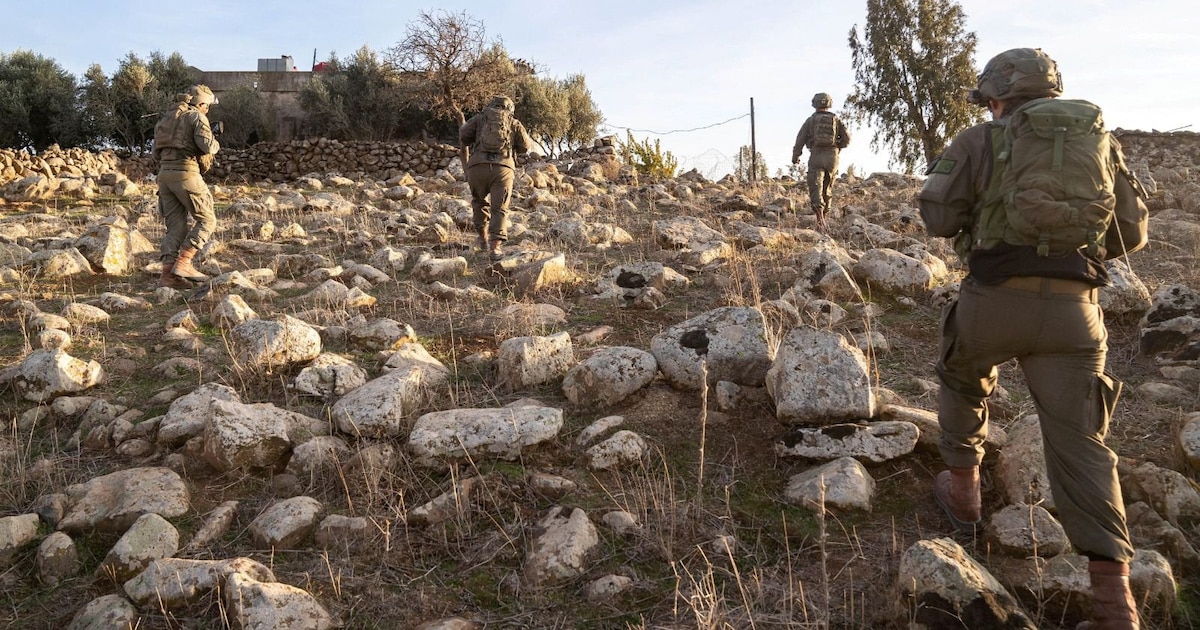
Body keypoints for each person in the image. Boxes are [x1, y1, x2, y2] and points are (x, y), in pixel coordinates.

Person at [917, 48, 1149, 630]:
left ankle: (964, 493)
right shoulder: (1099, 141)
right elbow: (1133, 232)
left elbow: (938, 218)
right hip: (1076, 312)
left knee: (962, 374)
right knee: (1082, 443)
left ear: (998, 96)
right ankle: (1113, 603)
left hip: (993, 297)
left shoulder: (978, 139)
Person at [152, 84, 221, 288]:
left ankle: (167, 276)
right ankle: (184, 262)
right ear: (200, 103)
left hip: (164, 176)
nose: (207, 110)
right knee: (207, 220)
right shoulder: (196, 117)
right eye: (206, 106)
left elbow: (155, 153)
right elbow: (207, 146)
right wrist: (216, 141)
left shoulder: (166, 119)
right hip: (187, 173)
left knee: (176, 225)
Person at [458, 95, 533, 261]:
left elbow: (464, 135)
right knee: (499, 208)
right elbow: (525, 147)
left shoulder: (479, 118)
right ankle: (495, 248)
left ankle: (483, 239)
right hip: (503, 169)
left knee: (479, 202)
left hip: (477, 167)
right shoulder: (514, 122)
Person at [791, 92, 850, 229]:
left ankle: (820, 219)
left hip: (816, 155)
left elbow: (800, 139)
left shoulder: (810, 121)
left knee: (815, 186)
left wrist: (796, 156)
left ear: (814, 104)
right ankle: (825, 216)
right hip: (832, 157)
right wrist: (837, 148)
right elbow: (847, 139)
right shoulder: (836, 119)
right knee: (827, 187)